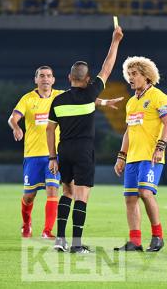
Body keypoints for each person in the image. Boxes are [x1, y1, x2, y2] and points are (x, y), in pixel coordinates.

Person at [9, 66, 123, 239]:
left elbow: (89, 100)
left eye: (48, 76)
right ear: (36, 80)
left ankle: (47, 231)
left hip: (53, 154)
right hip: (32, 154)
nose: (45, 79)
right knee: (29, 196)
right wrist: (16, 127)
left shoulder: (59, 96)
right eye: (41, 76)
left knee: (53, 190)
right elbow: (13, 118)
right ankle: (26, 223)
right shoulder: (27, 99)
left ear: (54, 80)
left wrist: (106, 103)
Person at [47, 26, 124, 253]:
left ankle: (59, 240)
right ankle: (77, 245)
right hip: (83, 151)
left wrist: (52, 156)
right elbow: (108, 66)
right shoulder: (91, 93)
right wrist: (116, 40)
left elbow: (49, 130)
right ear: (88, 79)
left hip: (64, 150)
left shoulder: (58, 101)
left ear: (69, 78)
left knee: (66, 193)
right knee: (82, 196)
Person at [113, 56, 167, 252]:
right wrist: (121, 156)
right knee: (130, 198)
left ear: (146, 76)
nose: (130, 78)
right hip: (132, 158)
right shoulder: (131, 103)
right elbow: (128, 131)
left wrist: (161, 147)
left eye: (135, 74)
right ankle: (135, 241)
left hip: (150, 157)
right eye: (128, 74)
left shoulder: (159, 97)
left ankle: (158, 237)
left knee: (145, 193)